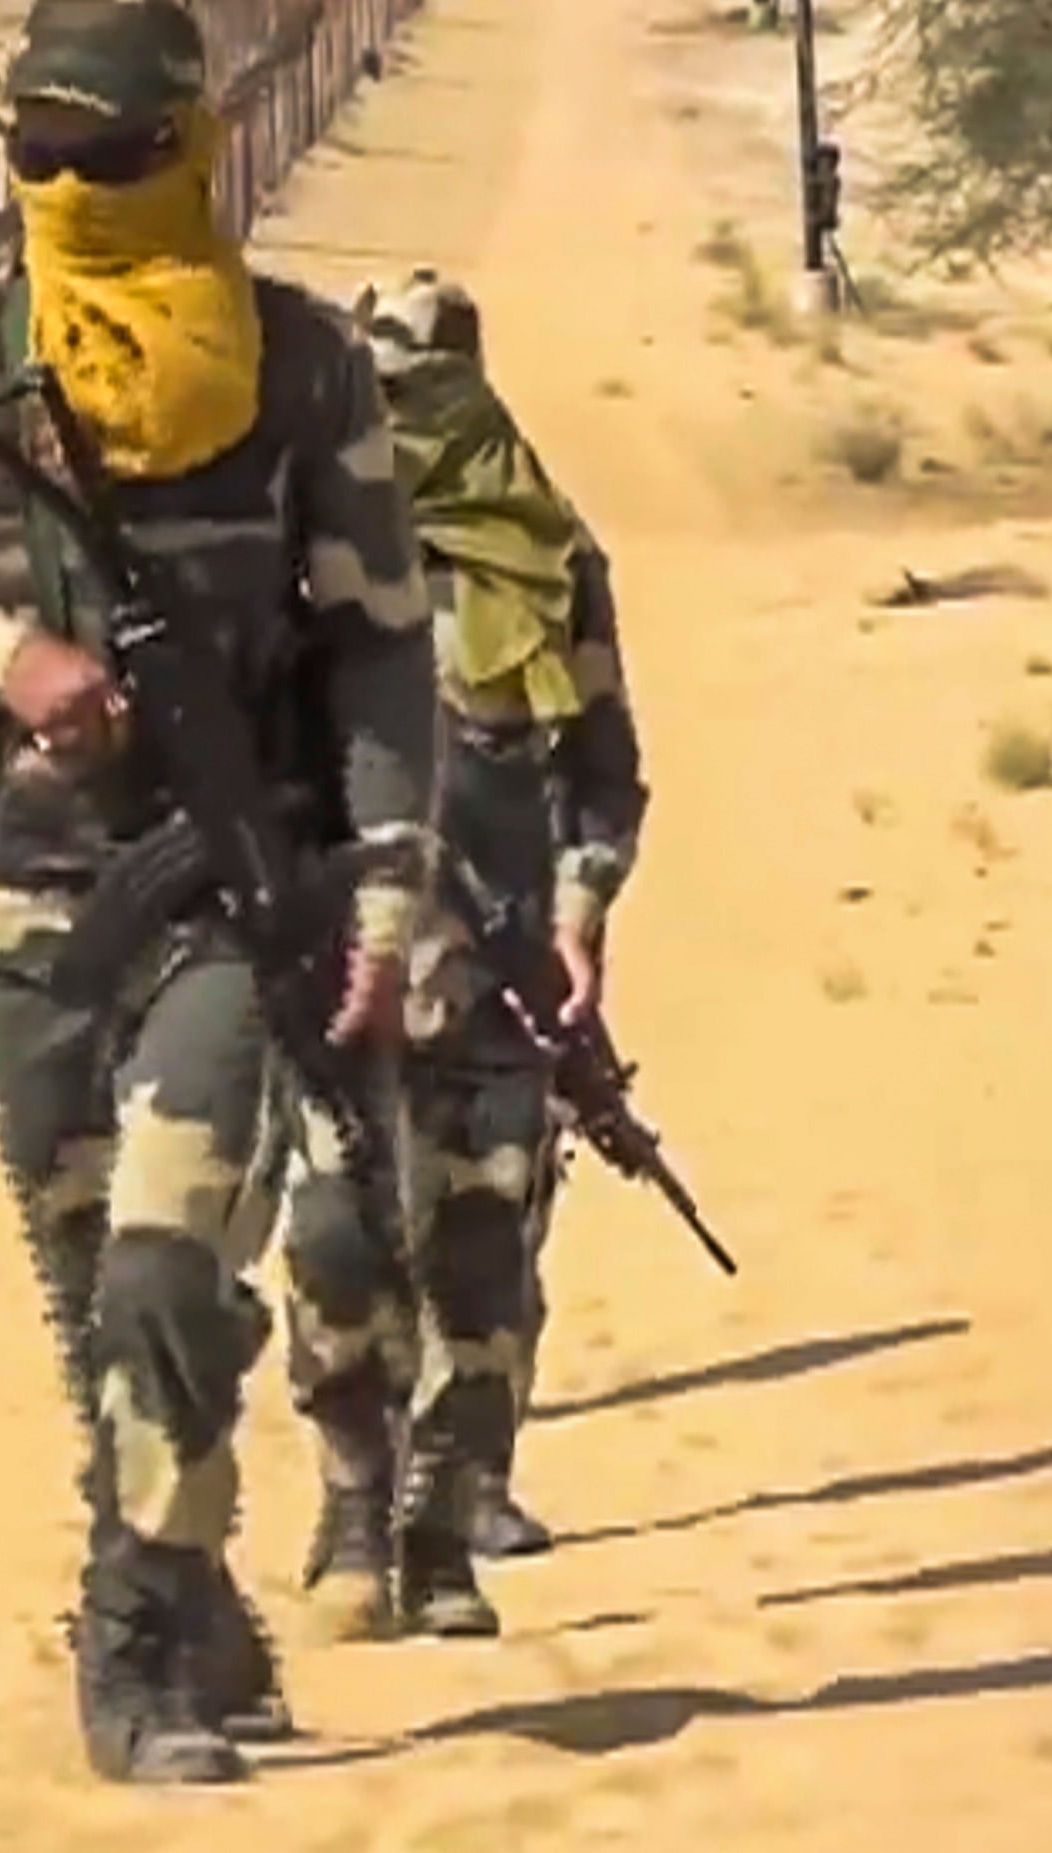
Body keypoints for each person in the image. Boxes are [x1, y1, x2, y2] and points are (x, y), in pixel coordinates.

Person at [0, 0, 437, 1789]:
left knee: (169, 1274)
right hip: (28, 926)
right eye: (46, 154)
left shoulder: (301, 369)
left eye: (118, 152)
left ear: (195, 145)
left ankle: (134, 1655)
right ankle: (202, 1598)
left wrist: (384, 879)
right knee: (109, 1328)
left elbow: (385, 654)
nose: (77, 184)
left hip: (235, 911)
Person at [276, 272, 650, 1644]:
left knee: (483, 1279)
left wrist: (580, 908)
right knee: (332, 1254)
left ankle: (441, 1535)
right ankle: (351, 1501)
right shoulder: (303, 558)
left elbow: (601, 770)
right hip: (345, 979)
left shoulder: (548, 561)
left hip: (498, 992)